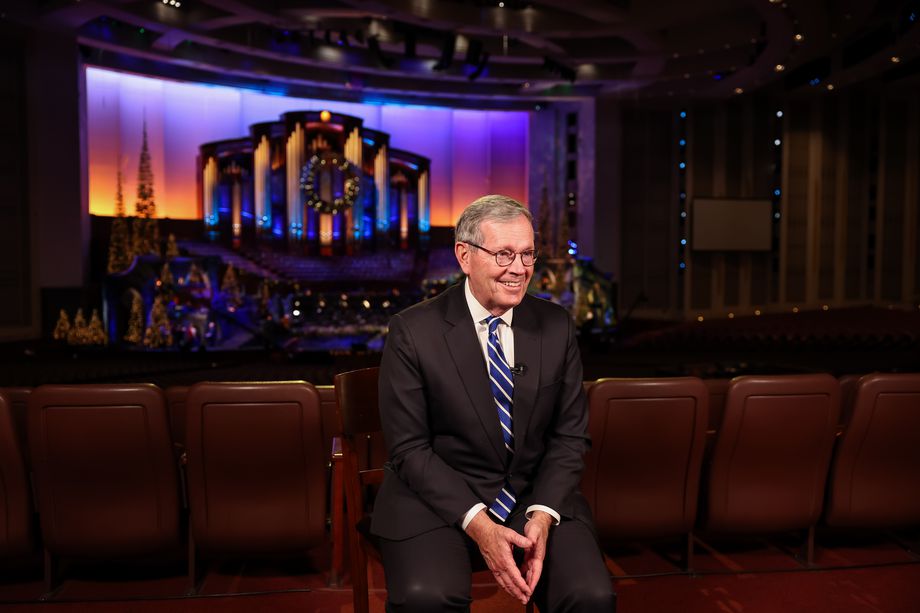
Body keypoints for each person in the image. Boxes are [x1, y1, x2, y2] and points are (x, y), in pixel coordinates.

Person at [372, 195, 616, 612]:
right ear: (464, 256)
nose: (519, 269)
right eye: (504, 254)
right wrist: (481, 524)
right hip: (437, 497)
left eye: (527, 254)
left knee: (591, 597)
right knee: (427, 599)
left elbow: (570, 436)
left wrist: (541, 513)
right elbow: (410, 450)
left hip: (533, 495)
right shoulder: (413, 331)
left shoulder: (555, 326)